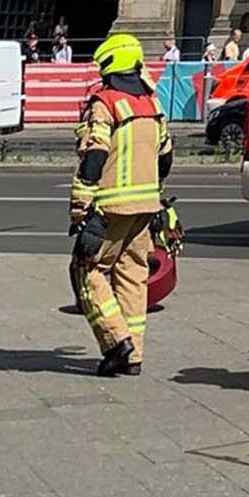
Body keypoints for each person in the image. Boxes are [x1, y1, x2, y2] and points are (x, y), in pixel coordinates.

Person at [69, 33, 174, 378]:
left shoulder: (106, 102)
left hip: (110, 206)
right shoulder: (152, 104)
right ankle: (135, 356)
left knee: (87, 270)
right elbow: (166, 156)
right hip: (146, 205)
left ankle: (116, 342)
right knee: (133, 276)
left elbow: (95, 154)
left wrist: (81, 204)